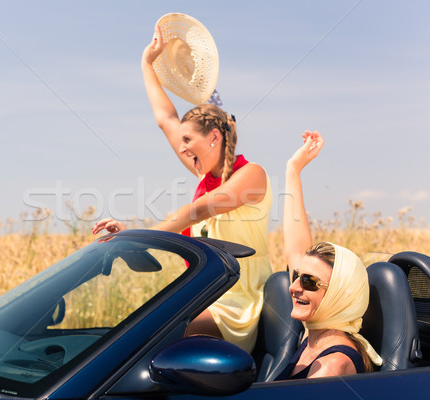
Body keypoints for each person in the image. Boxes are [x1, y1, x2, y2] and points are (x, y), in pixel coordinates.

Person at [92, 27, 273, 353]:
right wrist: (147, 64)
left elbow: (197, 211)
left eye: (188, 140)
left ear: (214, 138)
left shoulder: (252, 175)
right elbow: (166, 118)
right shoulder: (205, 174)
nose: (182, 146)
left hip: (240, 299)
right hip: (206, 291)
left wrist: (140, 241)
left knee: (171, 341)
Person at [275, 131, 382, 379]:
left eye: (309, 282)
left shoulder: (331, 365)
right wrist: (293, 169)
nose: (293, 287)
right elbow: (295, 247)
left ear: (338, 297)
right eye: (298, 276)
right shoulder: (315, 336)